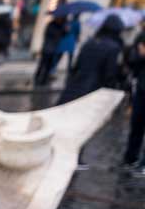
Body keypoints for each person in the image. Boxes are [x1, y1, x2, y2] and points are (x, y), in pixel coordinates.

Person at [59, 13, 125, 169]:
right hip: (92, 90)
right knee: (83, 126)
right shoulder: (114, 48)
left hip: (75, 87)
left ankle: (62, 154)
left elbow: (76, 66)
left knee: (69, 123)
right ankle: (75, 157)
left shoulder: (89, 43)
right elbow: (109, 74)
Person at [124, 25, 145, 169]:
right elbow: (132, 60)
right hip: (142, 87)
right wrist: (140, 55)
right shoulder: (142, 36)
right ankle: (130, 158)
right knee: (136, 125)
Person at [34, 15, 66, 87]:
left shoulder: (60, 26)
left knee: (48, 65)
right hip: (47, 48)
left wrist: (65, 30)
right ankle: (37, 79)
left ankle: (44, 80)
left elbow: (62, 35)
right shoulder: (51, 25)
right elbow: (52, 35)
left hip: (53, 49)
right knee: (43, 64)